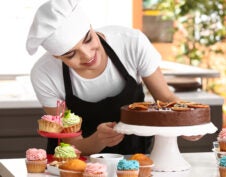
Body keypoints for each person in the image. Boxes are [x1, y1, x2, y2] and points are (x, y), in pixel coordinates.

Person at [26, 0, 202, 155]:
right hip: (75, 166)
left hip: (134, 158)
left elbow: (166, 99)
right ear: (57, 56)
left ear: (91, 28)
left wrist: (188, 123)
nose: (87, 56)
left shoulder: (131, 42)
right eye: (71, 54)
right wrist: (99, 140)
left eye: (88, 40)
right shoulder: (44, 74)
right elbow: (71, 145)